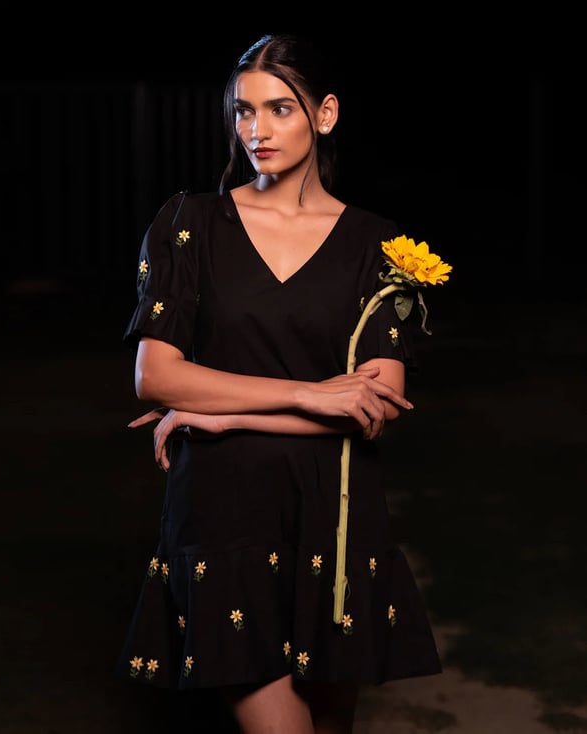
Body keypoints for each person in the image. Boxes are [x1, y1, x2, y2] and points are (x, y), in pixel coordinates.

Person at [116, 32, 442, 733]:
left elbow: (375, 404)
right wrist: (306, 392)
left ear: (325, 114)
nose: (256, 130)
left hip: (337, 511)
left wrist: (226, 413)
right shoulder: (188, 223)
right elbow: (156, 375)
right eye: (243, 111)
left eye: (279, 108)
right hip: (222, 510)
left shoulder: (378, 244)